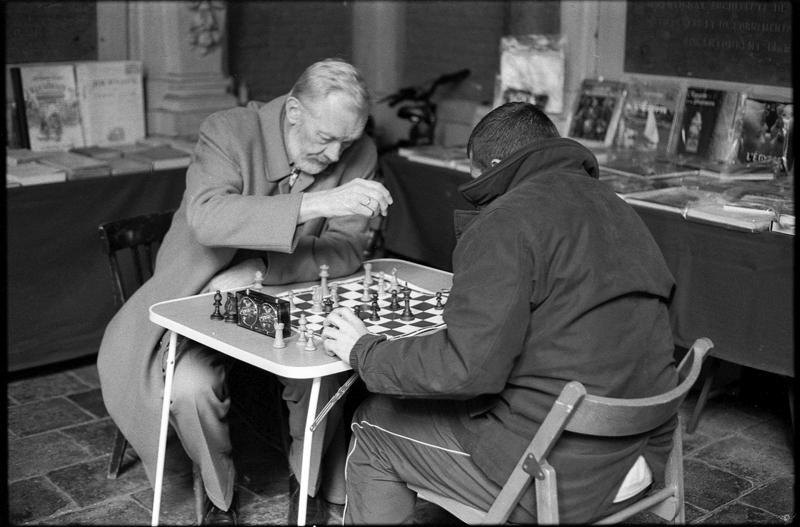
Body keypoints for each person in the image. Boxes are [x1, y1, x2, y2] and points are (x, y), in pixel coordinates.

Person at [322, 102, 679, 524]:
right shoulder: (616, 206)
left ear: (493, 165)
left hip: (563, 474)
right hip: (641, 452)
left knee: (374, 422)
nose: (477, 192)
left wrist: (365, 352)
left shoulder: (507, 220)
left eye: (476, 180)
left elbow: (467, 370)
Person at [97, 58, 392, 525]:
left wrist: (262, 267)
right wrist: (320, 202)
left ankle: (306, 485)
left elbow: (347, 249)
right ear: (293, 111)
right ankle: (219, 497)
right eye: (324, 139)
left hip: (276, 297)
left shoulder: (360, 153)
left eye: (348, 142)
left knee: (322, 374)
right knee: (191, 388)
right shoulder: (229, 130)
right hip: (201, 297)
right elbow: (208, 218)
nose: (337, 156)